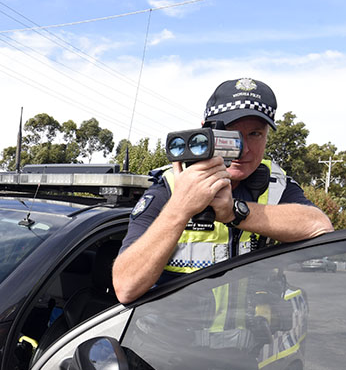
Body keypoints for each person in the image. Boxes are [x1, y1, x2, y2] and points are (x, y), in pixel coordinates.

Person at [112, 78, 333, 304]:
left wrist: (234, 212)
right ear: (206, 133)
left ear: (267, 136)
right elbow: (126, 287)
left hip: (254, 337)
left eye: (255, 134)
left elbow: (320, 226)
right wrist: (180, 207)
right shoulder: (169, 186)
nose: (243, 149)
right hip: (178, 338)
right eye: (231, 134)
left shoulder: (275, 183)